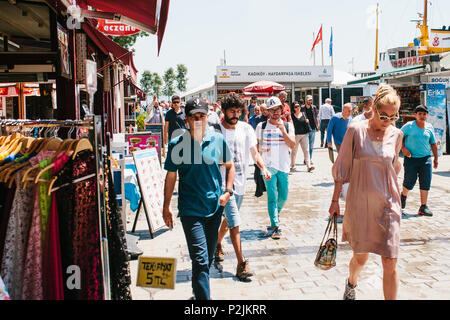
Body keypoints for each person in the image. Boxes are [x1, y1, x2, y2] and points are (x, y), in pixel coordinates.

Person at [328, 84, 403, 300]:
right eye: (383, 115)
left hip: (389, 204)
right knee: (361, 259)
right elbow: (342, 168)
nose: (387, 120)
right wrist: (335, 201)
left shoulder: (397, 135)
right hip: (360, 204)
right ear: (373, 109)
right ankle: (351, 282)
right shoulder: (356, 130)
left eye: (393, 116)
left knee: (390, 261)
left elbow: (394, 167)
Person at [163, 97, 235, 300]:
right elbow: (170, 176)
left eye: (202, 116)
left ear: (207, 117)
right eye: (193, 116)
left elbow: (230, 166)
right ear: (186, 119)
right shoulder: (177, 143)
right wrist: (166, 206)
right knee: (201, 259)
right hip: (190, 210)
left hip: (214, 207)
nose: (198, 120)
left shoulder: (217, 140)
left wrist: (228, 191)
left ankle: (197, 293)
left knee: (207, 258)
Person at [211, 93, 271, 281]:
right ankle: (241, 263)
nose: (235, 115)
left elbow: (254, 153)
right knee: (235, 221)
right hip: (221, 184)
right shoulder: (215, 130)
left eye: (238, 111)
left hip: (240, 183)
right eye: (232, 111)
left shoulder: (246, 129)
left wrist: (263, 168)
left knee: (228, 221)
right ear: (224, 111)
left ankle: (217, 243)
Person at [256, 96, 295, 239]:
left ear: (281, 109)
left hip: (284, 166)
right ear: (268, 112)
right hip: (268, 166)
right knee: (272, 196)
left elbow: (292, 145)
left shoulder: (288, 125)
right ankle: (275, 226)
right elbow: (257, 146)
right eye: (272, 110)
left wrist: (283, 131)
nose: (275, 112)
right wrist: (261, 150)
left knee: (284, 195)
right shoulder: (262, 126)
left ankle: (275, 215)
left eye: (277, 109)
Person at [400, 105, 439, 217]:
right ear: (415, 115)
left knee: (425, 182)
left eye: (424, 114)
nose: (422, 116)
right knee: (409, 182)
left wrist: (436, 159)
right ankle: (403, 195)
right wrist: (403, 148)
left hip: (426, 159)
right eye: (420, 114)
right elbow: (398, 136)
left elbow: (433, 143)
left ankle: (423, 206)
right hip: (411, 159)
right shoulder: (409, 126)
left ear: (427, 115)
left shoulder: (429, 127)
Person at [290, 101, 314, 172]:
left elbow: (307, 122)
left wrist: (307, 121)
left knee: (306, 150)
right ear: (293, 108)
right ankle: (293, 165)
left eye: (298, 106)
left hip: (304, 134)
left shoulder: (303, 114)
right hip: (296, 135)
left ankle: (308, 166)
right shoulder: (292, 116)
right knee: (294, 151)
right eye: (296, 107)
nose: (297, 108)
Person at [302, 95, 319, 162]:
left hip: (312, 128)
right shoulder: (302, 108)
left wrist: (317, 124)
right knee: (305, 146)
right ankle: (306, 158)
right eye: (309, 100)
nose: (310, 101)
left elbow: (316, 116)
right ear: (306, 100)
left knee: (311, 145)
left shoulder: (314, 107)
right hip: (305, 129)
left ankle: (309, 159)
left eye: (311, 100)